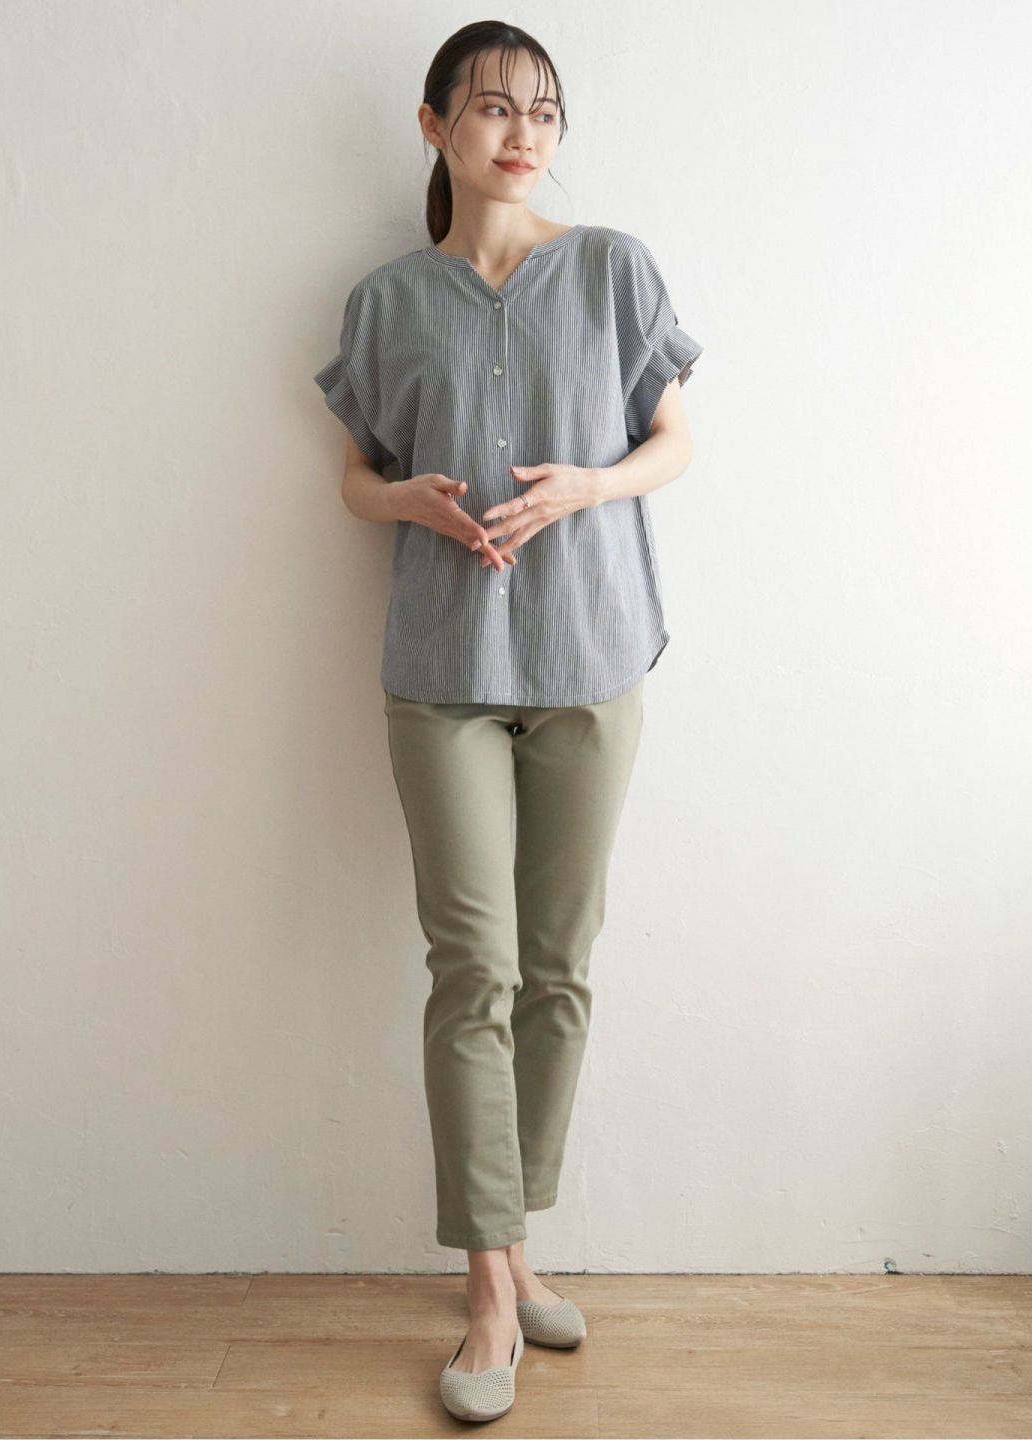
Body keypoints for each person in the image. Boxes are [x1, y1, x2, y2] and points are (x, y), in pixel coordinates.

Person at [313, 20, 703, 1423]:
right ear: (436, 126)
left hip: (591, 657)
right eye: (491, 107)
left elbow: (675, 441)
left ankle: (516, 1236)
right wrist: (407, 502)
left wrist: (592, 485)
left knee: (560, 967)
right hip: (443, 670)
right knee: (470, 968)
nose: (522, 131)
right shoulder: (386, 301)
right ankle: (489, 1291)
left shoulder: (613, 269)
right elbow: (355, 478)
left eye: (542, 108)